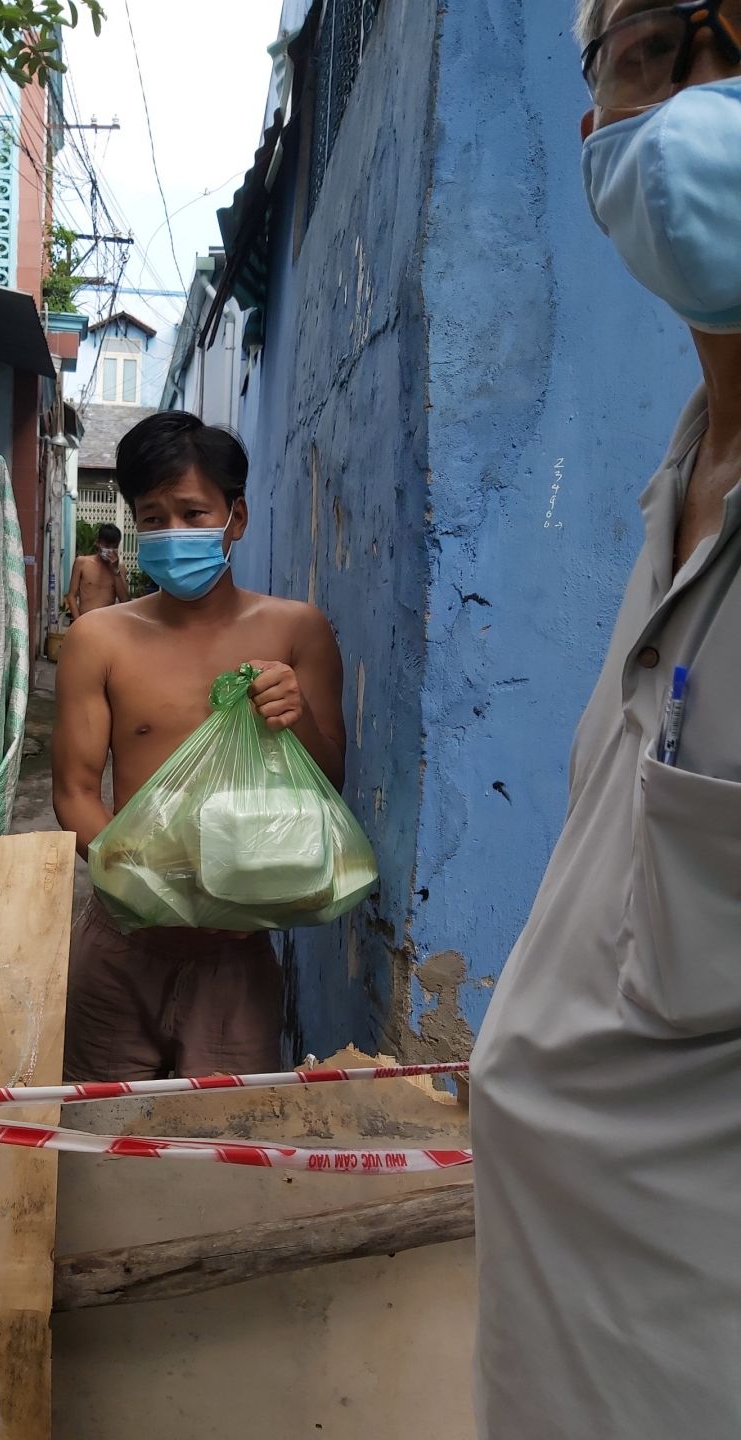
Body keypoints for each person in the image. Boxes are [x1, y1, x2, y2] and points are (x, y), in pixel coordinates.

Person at [473, 4, 741, 1437]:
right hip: (572, 1359)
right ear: (596, 147)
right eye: (654, 50)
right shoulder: (679, 488)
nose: (704, 99)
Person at [52, 411, 346, 1082]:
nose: (172, 533)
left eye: (192, 513)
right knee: (102, 1132)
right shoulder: (99, 640)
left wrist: (296, 717)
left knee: (223, 1132)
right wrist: (156, 890)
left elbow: (330, 785)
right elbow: (74, 792)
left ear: (235, 518)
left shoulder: (296, 632)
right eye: (153, 518)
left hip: (235, 957)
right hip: (122, 942)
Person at [65, 523, 128, 618]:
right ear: (97, 543)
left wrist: (115, 570)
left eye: (114, 546)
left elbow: (125, 601)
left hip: (107, 621)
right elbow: (71, 596)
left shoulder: (120, 568)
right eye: (107, 546)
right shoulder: (82, 563)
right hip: (85, 619)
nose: (110, 550)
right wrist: (78, 620)